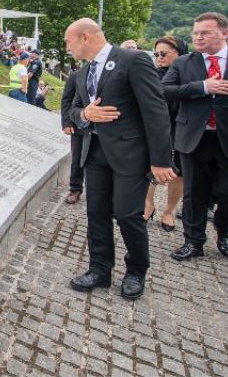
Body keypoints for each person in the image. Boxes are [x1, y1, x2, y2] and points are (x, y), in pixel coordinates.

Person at [66, 18, 173, 300]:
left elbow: (155, 110)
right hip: (95, 152)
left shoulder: (132, 60)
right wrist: (84, 115)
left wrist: (161, 160)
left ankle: (136, 270)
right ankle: (100, 269)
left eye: (69, 41)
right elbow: (75, 109)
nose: (67, 47)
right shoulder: (83, 72)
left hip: (130, 154)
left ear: (85, 37)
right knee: (96, 213)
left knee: (127, 214)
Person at [163, 12, 228, 261]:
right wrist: (203, 87)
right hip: (194, 138)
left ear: (224, 33)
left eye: (205, 32)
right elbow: (164, 90)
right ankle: (193, 241)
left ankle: (224, 231)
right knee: (194, 193)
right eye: (196, 33)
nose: (198, 37)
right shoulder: (183, 63)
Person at [140, 36, 187, 229]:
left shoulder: (189, 75)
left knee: (178, 173)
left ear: (180, 54)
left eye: (164, 54)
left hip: (181, 129)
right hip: (156, 129)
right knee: (149, 169)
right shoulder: (152, 74)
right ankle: (148, 205)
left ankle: (169, 210)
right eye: (156, 54)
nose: (159, 57)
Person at [61, 69, 84, 205]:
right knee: (77, 159)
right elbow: (67, 99)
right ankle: (75, 188)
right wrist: (67, 122)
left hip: (106, 127)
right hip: (79, 124)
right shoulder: (77, 75)